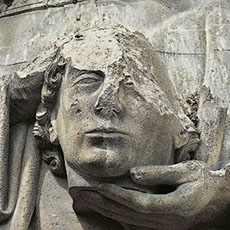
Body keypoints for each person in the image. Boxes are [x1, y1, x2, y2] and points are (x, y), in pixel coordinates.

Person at [0, 26, 229, 229]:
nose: (107, 104)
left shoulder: (216, 28)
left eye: (133, 86)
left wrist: (222, 197)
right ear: (51, 122)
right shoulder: (19, 181)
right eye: (88, 82)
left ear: (180, 129)